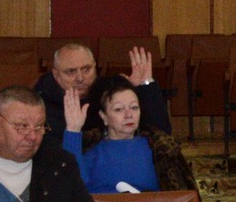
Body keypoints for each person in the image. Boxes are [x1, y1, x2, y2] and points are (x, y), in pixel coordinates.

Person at [61, 74, 195, 195]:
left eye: (134, 107)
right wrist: (73, 130)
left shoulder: (158, 149)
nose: (129, 115)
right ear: (104, 116)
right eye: (119, 109)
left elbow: (179, 196)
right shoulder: (93, 152)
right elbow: (71, 189)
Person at [38, 43, 170, 136]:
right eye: (71, 72)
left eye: (86, 69)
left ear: (95, 67)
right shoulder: (40, 102)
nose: (80, 78)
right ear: (56, 74)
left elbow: (162, 134)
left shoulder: (108, 93)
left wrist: (145, 87)